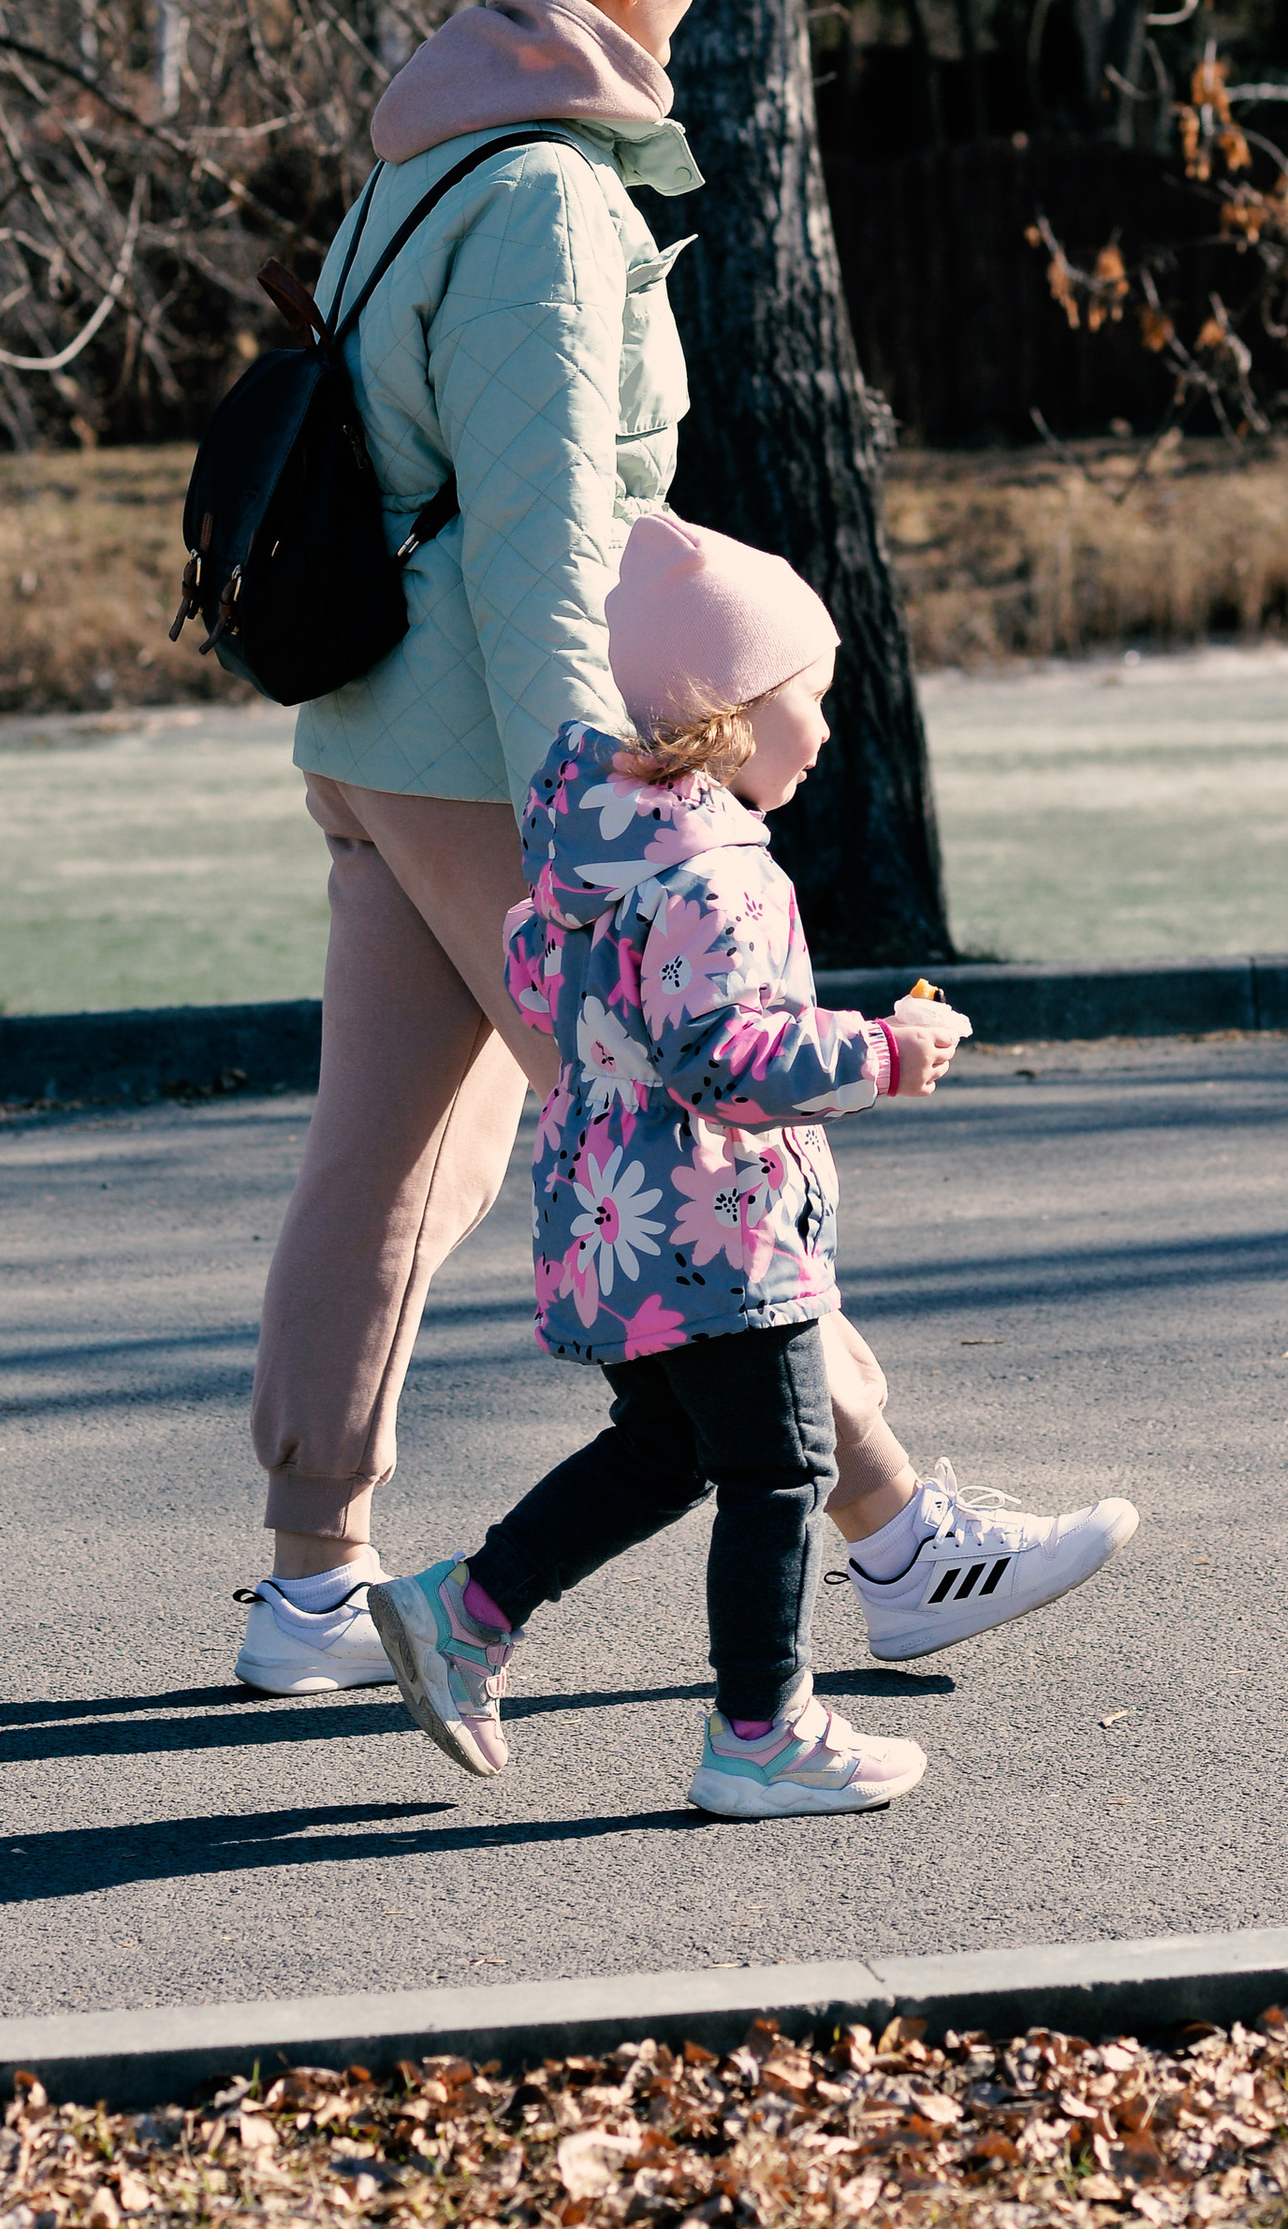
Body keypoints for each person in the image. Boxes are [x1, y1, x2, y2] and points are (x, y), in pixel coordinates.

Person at [236, 0, 1132, 1694]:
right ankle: (893, 1534)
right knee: (703, 1138)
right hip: (502, 765)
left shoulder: (423, 162)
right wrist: (595, 795)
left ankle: (313, 1577)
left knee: (387, 1153)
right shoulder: (550, 201)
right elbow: (549, 536)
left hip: (379, 739)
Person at [372, 516, 1001, 1814]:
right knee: (780, 1470)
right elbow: (726, 1053)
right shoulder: (713, 878)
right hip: (721, 1235)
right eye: (807, 700)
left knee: (663, 1450)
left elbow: (556, 991)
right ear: (726, 715)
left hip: (624, 1232)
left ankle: (468, 1607)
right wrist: (888, 1049)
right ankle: (761, 1731)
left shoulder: (594, 859)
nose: (825, 731)